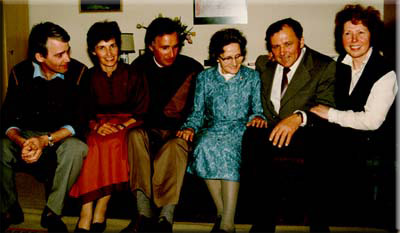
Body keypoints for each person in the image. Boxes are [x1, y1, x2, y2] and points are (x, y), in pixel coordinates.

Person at [242, 18, 336, 232]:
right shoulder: (262, 64)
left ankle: (318, 224)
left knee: (319, 148)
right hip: (268, 135)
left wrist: (298, 117)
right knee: (250, 139)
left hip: (306, 134)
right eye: (276, 46)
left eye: (288, 44)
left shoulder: (324, 66)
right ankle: (262, 223)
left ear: (301, 41)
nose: (282, 52)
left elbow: (327, 107)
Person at [310, 4, 397, 229]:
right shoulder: (339, 63)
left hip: (372, 141)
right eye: (347, 33)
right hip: (343, 138)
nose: (354, 39)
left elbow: (372, 121)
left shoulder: (386, 71)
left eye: (361, 32)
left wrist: (330, 114)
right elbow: (314, 64)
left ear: (372, 35)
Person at [0, 22, 89, 232]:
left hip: (61, 137)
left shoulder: (79, 72)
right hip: (27, 135)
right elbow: (7, 118)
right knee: (1, 147)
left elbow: (80, 121)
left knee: (77, 149)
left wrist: (45, 140)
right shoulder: (19, 73)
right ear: (40, 57)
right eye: (59, 55)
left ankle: (52, 211)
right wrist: (22, 141)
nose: (67, 58)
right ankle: (9, 207)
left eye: (68, 51)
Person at [177, 28, 266, 233]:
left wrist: (257, 118)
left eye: (238, 56)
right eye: (227, 58)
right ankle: (223, 213)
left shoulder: (252, 77)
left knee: (227, 150)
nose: (234, 63)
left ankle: (226, 223)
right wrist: (189, 127)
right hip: (213, 128)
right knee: (203, 146)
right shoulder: (204, 78)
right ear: (217, 57)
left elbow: (257, 109)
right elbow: (197, 112)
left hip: (240, 129)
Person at [121, 17, 204, 233]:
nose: (172, 53)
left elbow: (200, 108)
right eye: (165, 48)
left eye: (176, 47)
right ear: (151, 47)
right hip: (148, 130)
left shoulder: (191, 68)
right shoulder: (138, 67)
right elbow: (132, 106)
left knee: (175, 148)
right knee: (134, 137)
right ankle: (143, 213)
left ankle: (166, 219)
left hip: (178, 133)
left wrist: (189, 128)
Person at [69, 21, 149, 232]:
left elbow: (142, 110)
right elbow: (83, 111)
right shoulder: (87, 76)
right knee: (93, 145)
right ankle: (86, 211)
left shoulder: (134, 74)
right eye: (102, 47)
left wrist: (122, 125)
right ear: (93, 51)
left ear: (119, 46)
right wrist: (96, 126)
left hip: (128, 125)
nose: (109, 53)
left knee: (113, 143)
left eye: (112, 45)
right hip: (99, 125)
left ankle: (101, 209)